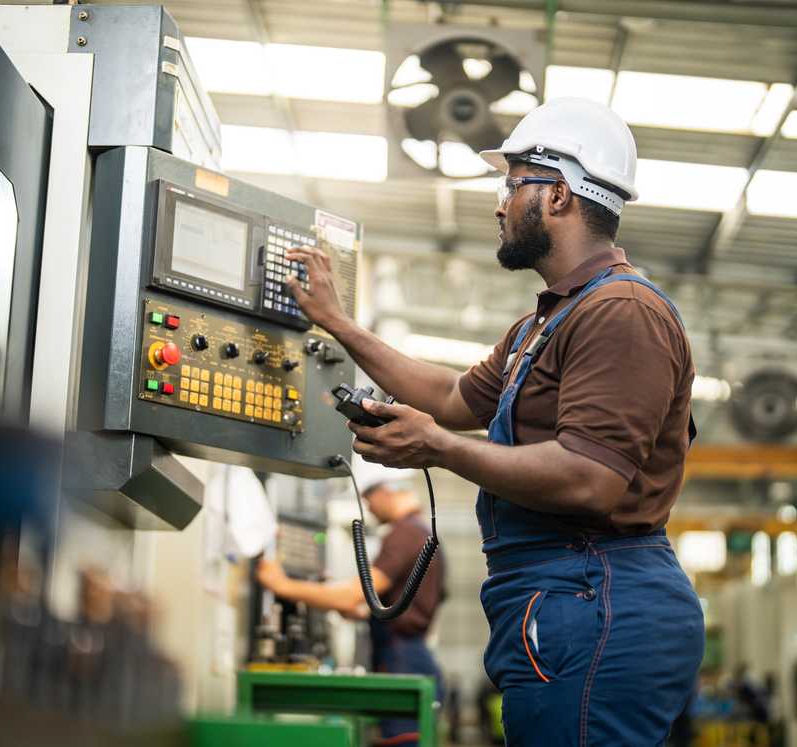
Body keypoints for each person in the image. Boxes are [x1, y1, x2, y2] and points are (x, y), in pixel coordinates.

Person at [281, 97, 705, 745]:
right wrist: (338, 325)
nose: (500, 204)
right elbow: (451, 396)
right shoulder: (546, 322)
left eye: (512, 185)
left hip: (596, 593)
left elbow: (591, 478)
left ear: (559, 196)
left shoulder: (622, 312)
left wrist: (439, 448)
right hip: (561, 594)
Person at [255, 471, 446, 746]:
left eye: (369, 499)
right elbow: (386, 604)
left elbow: (352, 596)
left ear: (387, 492)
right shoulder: (420, 531)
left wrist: (281, 584)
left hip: (403, 658)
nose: (368, 507)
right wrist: (355, 608)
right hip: (409, 655)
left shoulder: (404, 534)